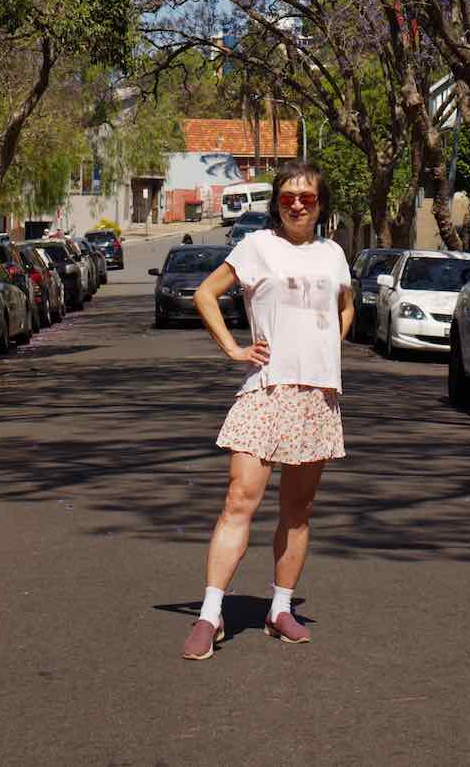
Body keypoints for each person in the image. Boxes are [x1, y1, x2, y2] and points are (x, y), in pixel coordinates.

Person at [179, 161, 351, 659]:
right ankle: (210, 615)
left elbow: (346, 304)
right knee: (240, 500)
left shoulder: (334, 253)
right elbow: (205, 293)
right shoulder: (256, 247)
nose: (297, 204)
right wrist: (233, 349)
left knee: (297, 511)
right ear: (276, 202)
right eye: (288, 197)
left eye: (308, 197)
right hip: (266, 389)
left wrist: (329, 345)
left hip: (317, 394)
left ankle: (280, 609)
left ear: (321, 204)